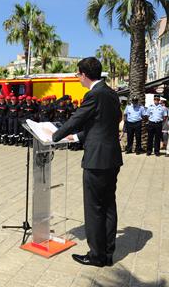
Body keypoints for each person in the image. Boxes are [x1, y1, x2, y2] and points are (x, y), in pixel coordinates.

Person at [52, 57, 122, 267]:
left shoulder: (94, 94)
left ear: (83, 74)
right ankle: (108, 253)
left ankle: (96, 255)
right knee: (108, 205)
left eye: (77, 74)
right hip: (111, 157)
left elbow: (77, 118)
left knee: (94, 208)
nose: (78, 78)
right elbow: (107, 122)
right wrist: (79, 137)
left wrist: (55, 135)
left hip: (97, 160)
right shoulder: (110, 93)